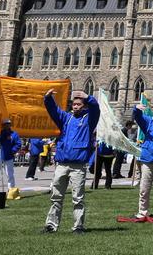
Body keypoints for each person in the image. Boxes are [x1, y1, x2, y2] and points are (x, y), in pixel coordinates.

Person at [43, 89, 99, 234]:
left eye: (79, 104)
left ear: (84, 106)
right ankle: (51, 225)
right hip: (62, 164)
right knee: (56, 196)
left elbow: (96, 109)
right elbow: (53, 110)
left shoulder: (88, 120)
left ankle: (78, 226)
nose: (75, 106)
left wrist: (88, 97)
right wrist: (48, 98)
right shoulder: (65, 118)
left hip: (78, 166)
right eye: (74, 104)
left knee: (78, 198)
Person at [0, 119, 21, 192]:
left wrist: (12, 151)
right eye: (5, 124)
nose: (7, 125)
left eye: (8, 124)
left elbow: (18, 144)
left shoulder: (14, 134)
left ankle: (11, 189)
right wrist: (3, 134)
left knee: (10, 174)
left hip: (8, 157)